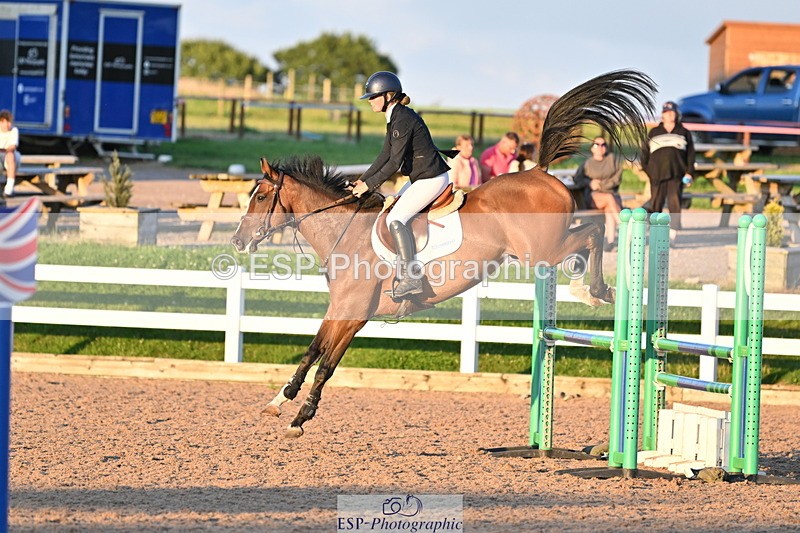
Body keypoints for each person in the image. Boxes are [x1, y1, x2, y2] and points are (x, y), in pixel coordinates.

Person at [351, 71, 455, 300]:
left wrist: (369, 186)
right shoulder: (395, 117)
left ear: (388, 96)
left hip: (431, 178)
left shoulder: (402, 119)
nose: (370, 101)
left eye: (373, 96)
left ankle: (411, 278)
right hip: (422, 177)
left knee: (395, 219)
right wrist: (364, 179)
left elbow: (395, 163)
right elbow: (384, 155)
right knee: (392, 210)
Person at [641, 101, 695, 236]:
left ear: (677, 114)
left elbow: (691, 155)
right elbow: (644, 154)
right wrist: (649, 171)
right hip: (657, 174)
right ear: (662, 115)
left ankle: (673, 235)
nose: (670, 114)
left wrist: (689, 172)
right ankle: (654, 233)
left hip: (676, 174)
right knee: (656, 204)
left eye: (672, 112)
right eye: (667, 112)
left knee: (674, 203)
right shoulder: (654, 132)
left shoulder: (684, 132)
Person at [573, 136, 623, 251]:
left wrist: (602, 185)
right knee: (609, 198)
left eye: (603, 144)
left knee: (609, 208)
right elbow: (577, 179)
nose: (600, 147)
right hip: (593, 197)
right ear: (592, 148)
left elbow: (617, 179)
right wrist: (589, 182)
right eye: (597, 144)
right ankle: (623, 225)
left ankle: (609, 242)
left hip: (611, 195)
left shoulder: (612, 160)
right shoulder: (587, 164)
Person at [1, 109, 21, 197]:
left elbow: (13, 146)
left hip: (11, 158)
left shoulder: (14, 130)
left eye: (10, 122)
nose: (9, 124)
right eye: (7, 122)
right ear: (1, 122)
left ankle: (9, 187)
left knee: (10, 155)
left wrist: (4, 150)